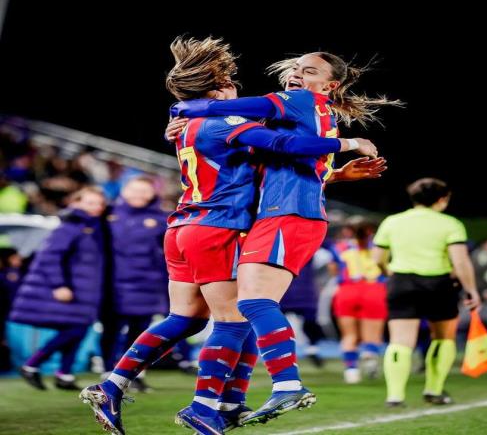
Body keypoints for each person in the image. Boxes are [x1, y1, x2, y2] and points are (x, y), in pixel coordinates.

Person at [80, 36, 379, 435]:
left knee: (184, 319)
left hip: (182, 227)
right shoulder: (230, 122)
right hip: (215, 227)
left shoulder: (191, 128)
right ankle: (208, 406)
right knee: (235, 320)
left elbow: (275, 164)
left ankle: (112, 385)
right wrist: (347, 143)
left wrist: (331, 173)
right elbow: (283, 144)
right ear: (216, 93)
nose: (237, 89)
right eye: (229, 84)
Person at [168, 48, 397, 426]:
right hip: (286, 214)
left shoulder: (298, 101)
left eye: (309, 71)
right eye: (296, 68)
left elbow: (216, 109)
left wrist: (181, 111)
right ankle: (228, 404)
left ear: (329, 85)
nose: (297, 74)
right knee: (247, 308)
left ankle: (286, 385)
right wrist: (337, 174)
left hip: (287, 216)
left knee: (253, 302)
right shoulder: (306, 112)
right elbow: (290, 159)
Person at [372, 178, 481, 406]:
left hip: (401, 282)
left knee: (400, 341)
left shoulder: (392, 221)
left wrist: (388, 272)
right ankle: (434, 390)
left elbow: (378, 259)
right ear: (442, 199)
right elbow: (460, 262)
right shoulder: (450, 224)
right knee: (443, 338)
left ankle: (395, 396)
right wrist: (471, 289)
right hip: (439, 283)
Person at [9, 186, 107, 390]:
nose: (96, 207)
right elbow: (49, 257)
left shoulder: (93, 227)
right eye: (90, 202)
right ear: (76, 203)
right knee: (75, 329)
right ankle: (32, 364)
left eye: (100, 203)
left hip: (83, 290)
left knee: (78, 330)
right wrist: (59, 285)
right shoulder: (69, 227)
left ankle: (64, 374)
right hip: (70, 289)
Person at [100, 176, 169, 392]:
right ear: (124, 191)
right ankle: (108, 371)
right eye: (134, 189)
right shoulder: (106, 215)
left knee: (140, 333)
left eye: (144, 190)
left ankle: (134, 374)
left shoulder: (162, 219)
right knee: (111, 329)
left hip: (148, 284)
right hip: (112, 284)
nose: (139, 194)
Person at [331, 218, 387, 383]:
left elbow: (334, 270)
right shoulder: (380, 247)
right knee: (372, 335)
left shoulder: (339, 247)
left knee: (349, 335)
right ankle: (370, 357)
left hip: (347, 290)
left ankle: (351, 371)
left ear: (348, 230)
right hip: (374, 290)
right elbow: (384, 266)